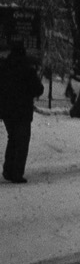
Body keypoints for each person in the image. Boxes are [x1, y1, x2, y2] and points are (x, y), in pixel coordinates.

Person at [1, 40, 44, 184]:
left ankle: (8, 169)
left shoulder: (4, 67)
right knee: (22, 142)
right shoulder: (27, 69)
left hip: (7, 111)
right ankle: (16, 173)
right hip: (23, 111)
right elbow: (38, 89)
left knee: (12, 138)